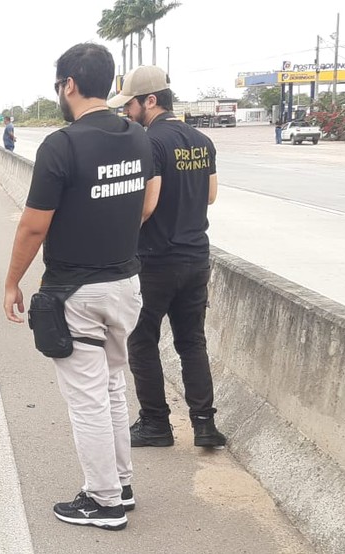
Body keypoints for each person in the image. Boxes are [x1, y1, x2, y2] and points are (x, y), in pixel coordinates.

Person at [3, 42, 152, 531]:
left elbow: (33, 227)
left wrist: (11, 283)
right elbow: (148, 202)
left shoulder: (61, 145)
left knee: (87, 400)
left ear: (69, 85)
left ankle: (103, 500)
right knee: (110, 387)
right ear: (109, 84)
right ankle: (122, 484)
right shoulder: (136, 136)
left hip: (77, 294)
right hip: (126, 284)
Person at [111, 65, 227, 449]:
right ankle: (205, 425)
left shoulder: (150, 143)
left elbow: (148, 205)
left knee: (142, 340)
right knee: (191, 341)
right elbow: (210, 195)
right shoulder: (202, 141)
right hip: (197, 258)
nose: (128, 113)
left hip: (157, 260)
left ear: (150, 100)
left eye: (130, 105)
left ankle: (156, 424)